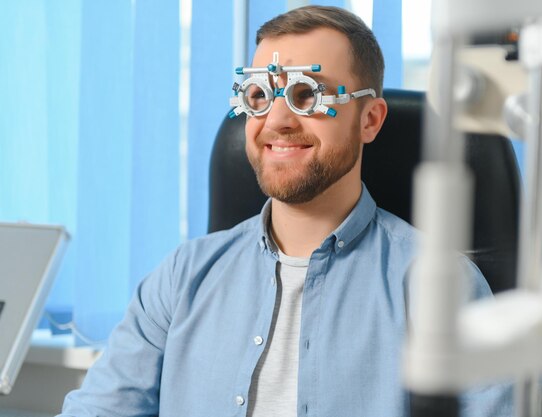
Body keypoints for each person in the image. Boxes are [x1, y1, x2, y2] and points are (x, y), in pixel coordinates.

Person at [58, 6, 511, 417]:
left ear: (370, 119)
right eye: (259, 95)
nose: (277, 121)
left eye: (306, 95)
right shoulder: (183, 277)